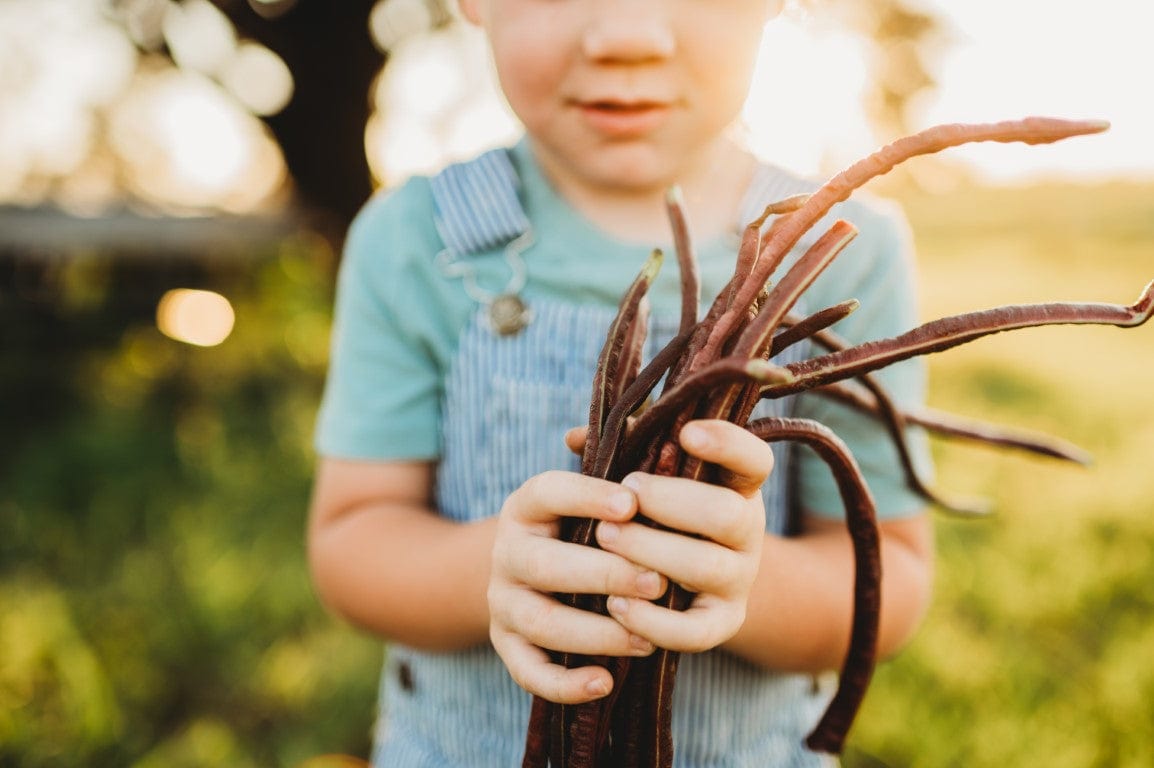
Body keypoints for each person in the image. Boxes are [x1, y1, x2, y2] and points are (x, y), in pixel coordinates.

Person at [307, 0, 935, 765]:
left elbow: (890, 579)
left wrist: (742, 579)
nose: (627, 35)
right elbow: (353, 539)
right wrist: (499, 570)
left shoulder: (844, 251)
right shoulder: (413, 242)